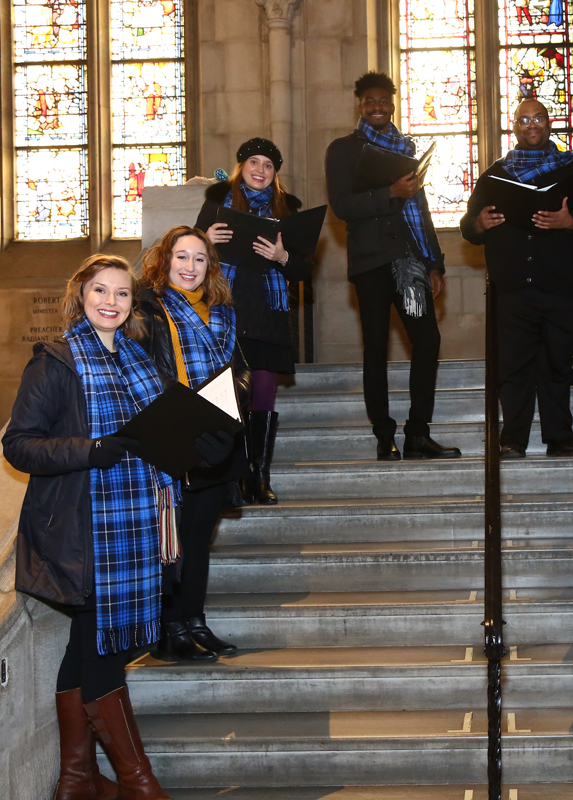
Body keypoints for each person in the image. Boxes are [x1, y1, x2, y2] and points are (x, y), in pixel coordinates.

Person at [4, 255, 175, 800]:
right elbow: (20, 444)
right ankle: (138, 784)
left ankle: (76, 780)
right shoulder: (55, 362)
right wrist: (91, 450)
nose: (111, 301)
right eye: (100, 291)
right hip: (86, 532)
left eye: (122, 294)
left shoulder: (139, 361)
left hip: (135, 528)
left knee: (85, 649)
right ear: (81, 297)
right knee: (103, 657)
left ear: (131, 304)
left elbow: (158, 431)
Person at [459, 99, 573, 458]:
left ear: (549, 124)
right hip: (513, 291)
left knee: (557, 365)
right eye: (524, 119)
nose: (532, 125)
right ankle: (512, 440)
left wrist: (570, 222)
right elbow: (469, 225)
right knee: (513, 368)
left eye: (539, 118)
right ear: (514, 126)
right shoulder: (496, 175)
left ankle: (560, 439)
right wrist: (478, 224)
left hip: (566, 289)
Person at [325, 71, 461, 461]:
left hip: (408, 262)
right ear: (360, 105)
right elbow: (342, 205)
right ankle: (384, 436)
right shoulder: (343, 149)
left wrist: (434, 262)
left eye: (384, 100)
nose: (378, 106)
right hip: (370, 262)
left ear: (393, 104)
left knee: (428, 340)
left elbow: (420, 209)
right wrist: (389, 192)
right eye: (370, 101)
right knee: (376, 347)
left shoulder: (406, 150)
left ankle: (418, 434)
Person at [137, 226, 251, 663]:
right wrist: (184, 408)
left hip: (216, 433)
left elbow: (239, 368)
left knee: (200, 538)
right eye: (181, 257)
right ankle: (170, 629)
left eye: (199, 259)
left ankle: (195, 621)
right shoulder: (148, 308)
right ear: (165, 261)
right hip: (174, 432)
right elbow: (143, 368)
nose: (190, 267)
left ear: (210, 266)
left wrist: (232, 397)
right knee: (173, 540)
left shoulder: (222, 311)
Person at [196, 137, 312, 504]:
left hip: (267, 315)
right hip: (224, 312)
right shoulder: (217, 202)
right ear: (241, 167)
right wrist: (205, 239)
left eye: (268, 165)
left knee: (262, 395)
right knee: (227, 399)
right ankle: (230, 476)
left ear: (275, 173)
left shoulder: (287, 208)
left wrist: (282, 255)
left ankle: (259, 476)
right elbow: (187, 258)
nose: (260, 170)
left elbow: (303, 268)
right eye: (254, 163)